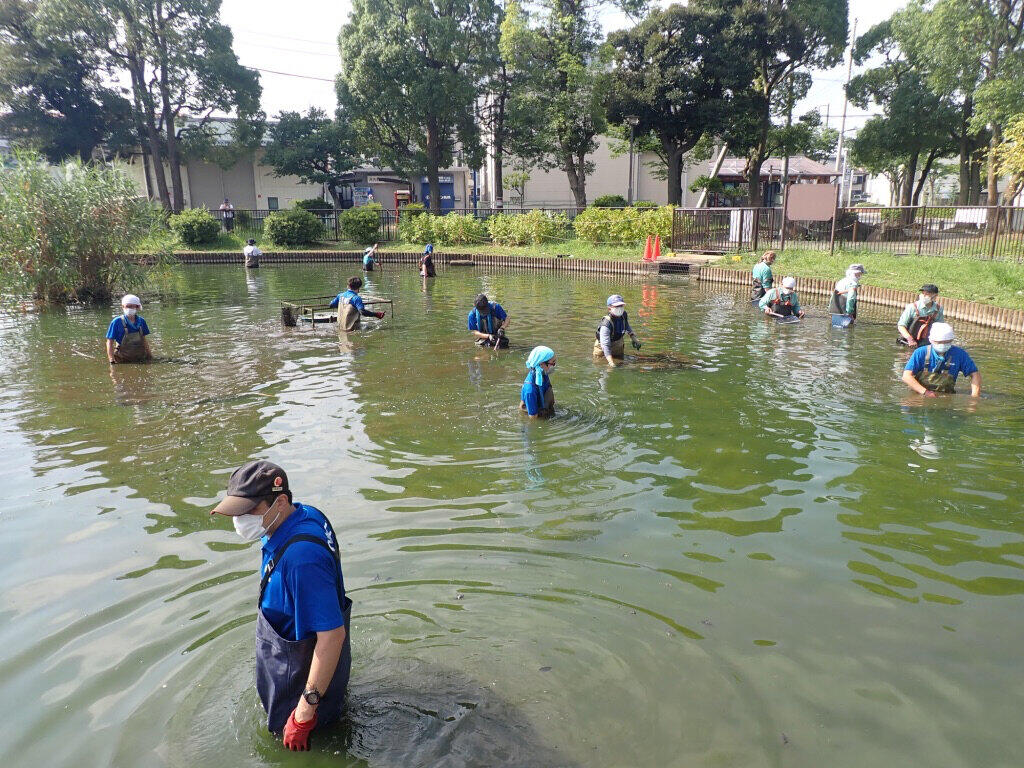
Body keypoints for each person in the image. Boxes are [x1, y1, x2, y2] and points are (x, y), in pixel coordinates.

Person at [210, 460, 351, 751]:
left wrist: (303, 714)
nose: (241, 520)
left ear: (281, 501)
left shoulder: (301, 559)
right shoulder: (306, 515)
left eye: (249, 510)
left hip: (301, 687)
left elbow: (332, 636)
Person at [901, 322, 981, 396]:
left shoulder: (959, 354)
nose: (943, 345)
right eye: (939, 342)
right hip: (920, 394)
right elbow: (906, 376)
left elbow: (975, 374)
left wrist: (974, 397)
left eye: (947, 342)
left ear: (952, 340)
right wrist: (925, 392)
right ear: (931, 340)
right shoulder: (920, 353)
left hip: (946, 396)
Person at [592, 294, 641, 365]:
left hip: (618, 344)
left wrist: (633, 337)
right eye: (617, 306)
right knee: (603, 365)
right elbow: (605, 345)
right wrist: (610, 362)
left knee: (621, 363)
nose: (620, 308)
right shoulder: (606, 324)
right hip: (603, 349)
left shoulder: (623, 315)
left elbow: (626, 325)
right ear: (609, 308)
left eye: (621, 306)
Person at [105, 294, 153, 364]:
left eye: (132, 306)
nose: (129, 309)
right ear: (123, 307)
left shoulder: (141, 321)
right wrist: (111, 360)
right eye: (127, 306)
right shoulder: (116, 321)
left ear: (137, 307)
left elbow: (144, 339)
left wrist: (149, 355)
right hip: (122, 359)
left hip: (140, 358)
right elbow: (109, 342)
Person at [521, 346, 556, 418]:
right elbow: (533, 419)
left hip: (544, 409)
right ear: (541, 364)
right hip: (536, 416)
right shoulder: (530, 390)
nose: (554, 366)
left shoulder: (542, 374)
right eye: (552, 363)